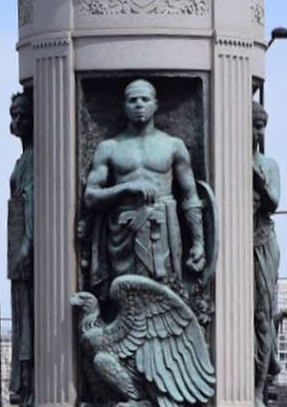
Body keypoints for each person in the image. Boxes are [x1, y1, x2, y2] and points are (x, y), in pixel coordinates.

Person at [84, 79, 204, 297]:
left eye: (145, 99)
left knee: (164, 292)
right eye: (133, 100)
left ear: (156, 104)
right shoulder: (109, 148)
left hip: (163, 227)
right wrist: (126, 188)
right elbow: (90, 197)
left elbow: (190, 196)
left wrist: (198, 243)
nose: (139, 104)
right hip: (123, 230)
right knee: (125, 293)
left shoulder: (173, 145)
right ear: (124, 106)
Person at [252, 103, 281, 407]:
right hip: (231, 244)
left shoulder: (268, 165)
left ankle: (257, 392)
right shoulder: (225, 163)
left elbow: (273, 202)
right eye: (252, 125)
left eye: (260, 127)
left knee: (262, 316)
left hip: (261, 243)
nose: (256, 132)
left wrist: (257, 180)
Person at [6, 91, 34, 407]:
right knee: (23, 318)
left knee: (28, 320)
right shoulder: (23, 160)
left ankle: (27, 383)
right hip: (18, 252)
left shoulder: (37, 158)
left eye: (23, 114)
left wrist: (27, 244)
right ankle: (25, 386)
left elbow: (33, 202)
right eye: (14, 116)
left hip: (26, 252)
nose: (17, 121)